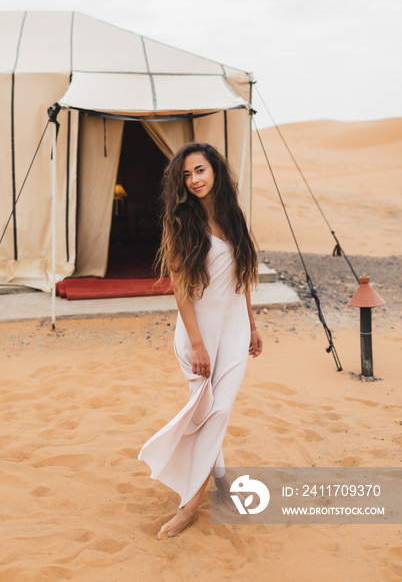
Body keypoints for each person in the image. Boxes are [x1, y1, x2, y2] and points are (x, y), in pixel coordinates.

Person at [138, 142, 263, 539]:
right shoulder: (181, 222)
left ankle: (210, 484)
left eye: (200, 171)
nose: (194, 180)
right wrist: (196, 344)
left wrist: (253, 325)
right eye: (186, 175)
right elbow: (181, 290)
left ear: (215, 172)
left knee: (218, 411)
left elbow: (241, 279)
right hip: (197, 335)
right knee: (209, 412)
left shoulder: (234, 216)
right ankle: (192, 503)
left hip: (234, 331)